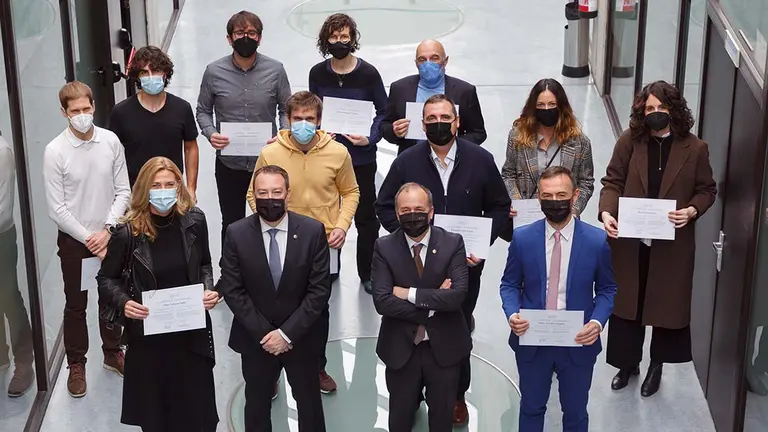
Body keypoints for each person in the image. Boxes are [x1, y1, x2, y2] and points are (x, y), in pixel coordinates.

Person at [375, 94, 509, 424]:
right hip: (413, 264)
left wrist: (483, 244)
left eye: (445, 117)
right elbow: (384, 205)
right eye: (431, 119)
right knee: (409, 325)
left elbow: (499, 206)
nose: (438, 123)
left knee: (456, 327)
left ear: (457, 122)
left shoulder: (480, 159)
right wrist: (405, 241)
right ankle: (410, 392)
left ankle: (455, 395)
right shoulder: (407, 161)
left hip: (465, 265)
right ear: (422, 125)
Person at [599, 80, 717, 397]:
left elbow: (707, 190)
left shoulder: (695, 148)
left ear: (674, 110)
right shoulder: (629, 141)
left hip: (671, 245)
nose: (655, 113)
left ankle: (656, 366)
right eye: (649, 108)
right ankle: (627, 364)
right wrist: (607, 212)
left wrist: (691, 210)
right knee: (629, 304)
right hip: (631, 241)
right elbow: (612, 181)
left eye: (661, 107)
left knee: (665, 306)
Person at [246, 91, 360, 395]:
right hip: (280, 243)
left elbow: (351, 192)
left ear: (319, 121)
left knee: (318, 309)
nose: (303, 124)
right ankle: (271, 371)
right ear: (287, 119)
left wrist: (342, 225)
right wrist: (270, 225)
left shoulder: (338, 153)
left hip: (323, 244)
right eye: (297, 118)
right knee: (274, 305)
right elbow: (253, 194)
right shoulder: (271, 153)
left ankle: (317, 366)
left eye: (310, 119)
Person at [97, 157, 219, 432]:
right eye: (156, 185)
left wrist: (208, 289)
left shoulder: (195, 221)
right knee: (157, 419)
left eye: (169, 184)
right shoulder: (127, 233)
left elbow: (204, 264)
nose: (163, 191)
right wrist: (125, 302)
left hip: (191, 337)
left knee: (199, 417)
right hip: (150, 343)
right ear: (144, 189)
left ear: (179, 187)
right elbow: (106, 278)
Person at [501, 166, 616, 432]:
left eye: (561, 195)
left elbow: (607, 289)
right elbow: (509, 284)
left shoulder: (596, 241)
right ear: (538, 198)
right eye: (547, 196)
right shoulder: (522, 238)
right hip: (532, 338)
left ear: (574, 195)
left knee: (575, 413)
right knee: (531, 408)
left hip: (577, 341)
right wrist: (512, 313)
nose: (554, 201)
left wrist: (597, 323)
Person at [219, 165, 331, 432]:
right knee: (256, 407)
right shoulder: (236, 233)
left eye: (276, 192)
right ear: (253, 195)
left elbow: (318, 291)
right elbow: (233, 290)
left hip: (302, 339)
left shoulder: (312, 231)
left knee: (310, 406)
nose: (270, 198)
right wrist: (268, 335)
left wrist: (287, 334)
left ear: (288, 194)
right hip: (257, 341)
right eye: (263, 193)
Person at [42, 81, 130, 398]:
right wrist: (89, 239)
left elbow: (124, 191)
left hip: (111, 236)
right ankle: (76, 364)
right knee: (76, 305)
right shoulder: (55, 151)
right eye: (74, 110)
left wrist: (107, 231)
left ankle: (112, 352)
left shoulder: (110, 141)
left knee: (112, 298)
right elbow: (57, 208)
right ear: (64, 113)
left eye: (85, 108)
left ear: (93, 106)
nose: (82, 115)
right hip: (75, 242)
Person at [372, 182, 471, 432]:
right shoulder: (384, 246)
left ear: (431, 212)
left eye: (419, 209)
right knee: (400, 418)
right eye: (405, 210)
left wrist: (407, 294)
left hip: (445, 348)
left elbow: (457, 296)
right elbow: (382, 302)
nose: (412, 215)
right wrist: (434, 303)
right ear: (397, 214)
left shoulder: (453, 243)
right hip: (401, 349)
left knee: (442, 419)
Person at [196, 10, 292, 244]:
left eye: (251, 33)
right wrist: (211, 133)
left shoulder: (276, 70)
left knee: (273, 219)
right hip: (230, 164)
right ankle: (232, 265)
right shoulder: (213, 72)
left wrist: (283, 134)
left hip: (268, 161)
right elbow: (203, 111)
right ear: (229, 38)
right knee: (231, 222)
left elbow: (286, 109)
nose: (246, 38)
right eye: (240, 33)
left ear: (260, 37)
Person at [309, 13, 387, 294]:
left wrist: (370, 138)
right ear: (325, 40)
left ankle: (368, 272)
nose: (339, 41)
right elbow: (313, 110)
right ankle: (330, 268)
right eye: (334, 37)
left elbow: (384, 111)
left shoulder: (369, 74)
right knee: (327, 215)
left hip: (361, 159)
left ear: (353, 39)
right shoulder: (317, 73)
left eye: (344, 36)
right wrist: (319, 131)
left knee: (366, 218)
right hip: (326, 157)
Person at [501, 78, 594, 235]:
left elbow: (586, 182)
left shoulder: (579, 142)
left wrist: (574, 210)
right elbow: (508, 174)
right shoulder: (517, 137)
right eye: (540, 105)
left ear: (561, 107)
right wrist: (515, 201)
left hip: (564, 217)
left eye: (552, 104)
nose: (546, 109)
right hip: (527, 219)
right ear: (533, 107)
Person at [108, 46, 199, 198]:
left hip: (172, 189)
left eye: (156, 70)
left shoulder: (182, 108)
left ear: (165, 73)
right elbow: (112, 155)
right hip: (136, 193)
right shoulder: (121, 113)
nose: (151, 76)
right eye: (144, 72)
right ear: (137, 77)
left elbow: (191, 147)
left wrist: (191, 188)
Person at [380, 39, 486, 154]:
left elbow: (478, 133)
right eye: (422, 59)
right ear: (416, 63)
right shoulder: (400, 89)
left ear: (445, 61)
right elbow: (385, 126)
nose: (428, 64)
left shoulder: (465, 91)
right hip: (411, 159)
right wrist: (394, 132)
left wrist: (454, 145)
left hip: (453, 159)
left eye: (434, 58)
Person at [0, 135, 34, 397]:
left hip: (1, 237)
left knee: (8, 296)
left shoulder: (1, 151)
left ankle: (24, 363)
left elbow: (3, 212)